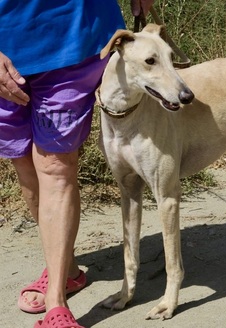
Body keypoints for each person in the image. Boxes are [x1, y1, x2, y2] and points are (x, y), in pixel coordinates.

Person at [0, 1, 153, 327]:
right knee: (25, 165)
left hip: (73, 37)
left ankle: (56, 302)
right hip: (5, 45)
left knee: (55, 166)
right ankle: (67, 270)